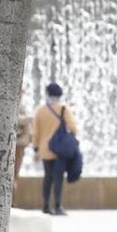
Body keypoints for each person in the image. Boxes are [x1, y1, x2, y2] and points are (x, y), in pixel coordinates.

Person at [32, 81, 79, 215]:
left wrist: (36, 149)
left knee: (48, 177)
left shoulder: (40, 111)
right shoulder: (64, 109)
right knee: (58, 177)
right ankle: (58, 206)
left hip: (45, 149)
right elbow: (73, 128)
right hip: (60, 150)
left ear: (47, 93)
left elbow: (36, 132)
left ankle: (46, 206)